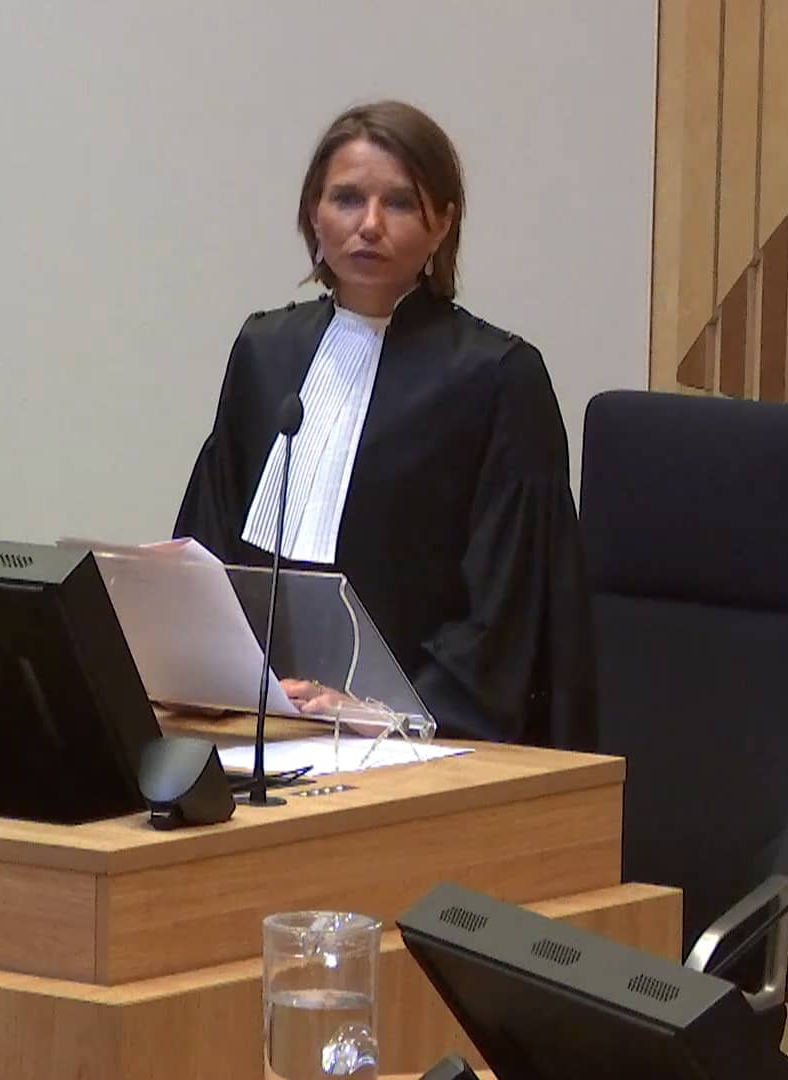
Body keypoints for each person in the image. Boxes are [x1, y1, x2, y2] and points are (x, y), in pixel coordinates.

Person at [174, 101, 596, 749]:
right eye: (347, 199)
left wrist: (389, 710)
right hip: (263, 724)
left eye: (399, 203)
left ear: (442, 224)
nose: (369, 225)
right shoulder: (265, 352)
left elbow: (508, 607)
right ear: (313, 213)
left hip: (421, 739)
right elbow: (211, 549)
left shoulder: (496, 376)